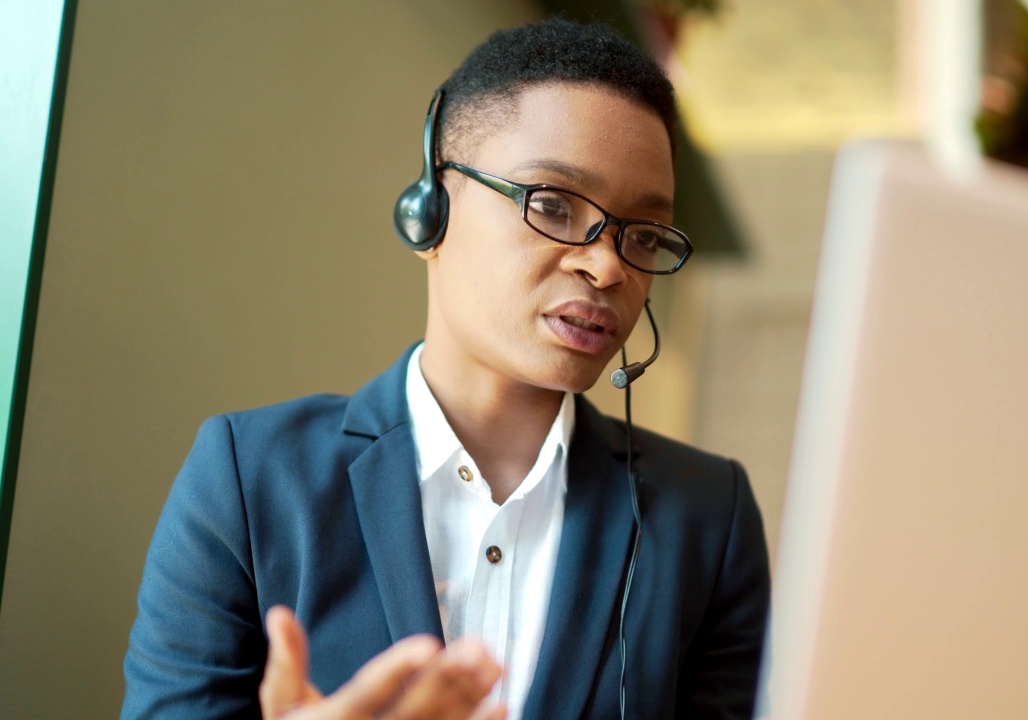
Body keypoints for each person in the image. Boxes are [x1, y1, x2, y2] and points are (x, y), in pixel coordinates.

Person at [122, 19, 770, 720]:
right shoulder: (247, 481)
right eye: (551, 203)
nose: (606, 265)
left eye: (641, 234)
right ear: (429, 213)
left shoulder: (708, 517)